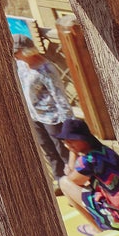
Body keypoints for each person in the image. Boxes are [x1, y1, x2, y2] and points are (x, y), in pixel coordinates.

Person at [56, 117, 119, 234]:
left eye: (71, 140)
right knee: (90, 185)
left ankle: (96, 228)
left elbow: (73, 180)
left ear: (83, 138)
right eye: (65, 141)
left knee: (64, 182)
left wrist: (72, 152)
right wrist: (73, 148)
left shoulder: (89, 160)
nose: (67, 144)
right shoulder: (105, 150)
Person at [13, 34, 73, 182]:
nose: (14, 56)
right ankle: (60, 180)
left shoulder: (45, 68)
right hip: (34, 115)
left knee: (63, 151)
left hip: (52, 118)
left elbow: (59, 95)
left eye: (15, 52)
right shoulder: (21, 64)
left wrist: (68, 123)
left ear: (26, 51)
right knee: (49, 151)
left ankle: (73, 180)